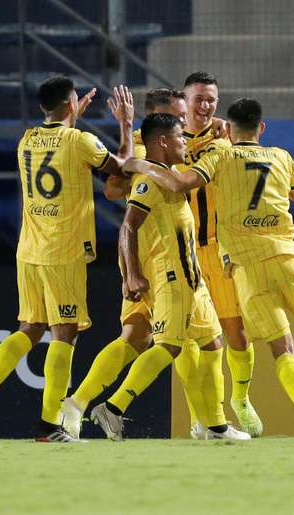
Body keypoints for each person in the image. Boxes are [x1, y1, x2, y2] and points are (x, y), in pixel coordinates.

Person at [124, 98, 294, 439]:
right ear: (262, 128)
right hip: (287, 258)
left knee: (282, 348)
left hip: (246, 265)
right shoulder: (281, 156)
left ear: (228, 129)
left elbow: (179, 183)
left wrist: (140, 165)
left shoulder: (221, 156)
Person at [0, 78, 137, 442]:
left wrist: (72, 117)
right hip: (63, 251)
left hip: (28, 249)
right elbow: (123, 168)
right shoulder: (80, 141)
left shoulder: (26, 139)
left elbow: (59, 149)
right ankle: (49, 425)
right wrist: (126, 124)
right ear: (70, 104)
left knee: (31, 327)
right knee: (65, 333)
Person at [87, 113, 250, 442]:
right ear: (162, 142)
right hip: (173, 276)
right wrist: (131, 274)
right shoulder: (151, 182)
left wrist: (138, 163)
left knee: (213, 343)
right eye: (179, 137)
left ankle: (215, 425)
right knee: (169, 348)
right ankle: (113, 407)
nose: (185, 142)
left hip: (194, 278)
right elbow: (129, 226)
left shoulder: (167, 173)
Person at [61, 87, 211, 440]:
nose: (183, 121)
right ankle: (202, 420)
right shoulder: (148, 147)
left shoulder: (169, 143)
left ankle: (78, 405)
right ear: (157, 116)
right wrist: (129, 137)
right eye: (177, 115)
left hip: (161, 258)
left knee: (144, 338)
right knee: (174, 341)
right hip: (152, 261)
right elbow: (114, 188)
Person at [178, 72, 264, 437]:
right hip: (181, 250)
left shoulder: (226, 137)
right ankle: (200, 418)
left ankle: (240, 399)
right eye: (198, 98)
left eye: (211, 98)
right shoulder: (167, 138)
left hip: (218, 247)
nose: (205, 105)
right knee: (188, 337)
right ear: (184, 100)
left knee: (235, 332)